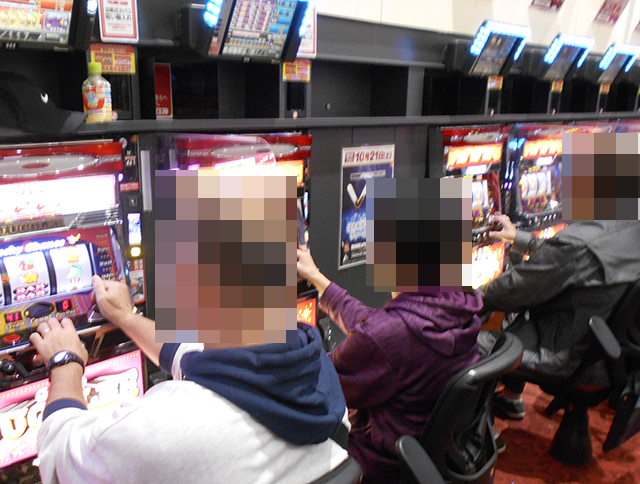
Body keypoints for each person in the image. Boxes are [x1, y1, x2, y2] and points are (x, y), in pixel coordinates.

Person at [296, 249, 483, 484]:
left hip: (379, 462)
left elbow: (319, 382)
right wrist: (316, 278)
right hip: (429, 452)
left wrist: (289, 335)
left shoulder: (389, 336)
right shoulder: (458, 301)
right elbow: (376, 327)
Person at [480, 216, 640, 419]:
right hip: (614, 363)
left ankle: (471, 431)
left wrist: (455, 292)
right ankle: (510, 398)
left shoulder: (581, 242)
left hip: (566, 359)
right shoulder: (628, 228)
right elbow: (569, 257)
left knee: (466, 343)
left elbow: (509, 294)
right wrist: (520, 239)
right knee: (528, 312)